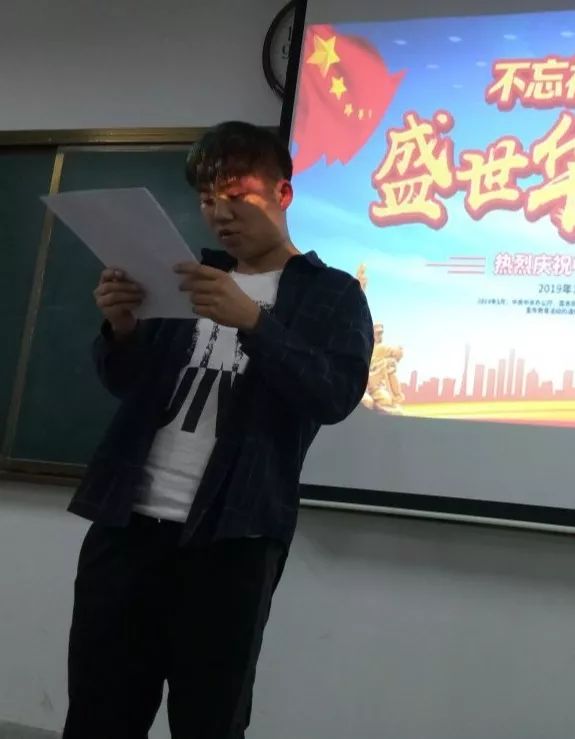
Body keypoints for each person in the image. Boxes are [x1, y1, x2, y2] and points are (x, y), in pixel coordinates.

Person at [63, 121, 374, 739]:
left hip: (234, 540)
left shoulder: (333, 295)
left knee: (209, 718)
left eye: (238, 195)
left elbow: (334, 394)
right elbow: (127, 383)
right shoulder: (184, 276)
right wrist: (122, 328)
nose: (220, 213)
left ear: (283, 193)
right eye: (207, 199)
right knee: (99, 711)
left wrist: (255, 323)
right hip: (126, 527)